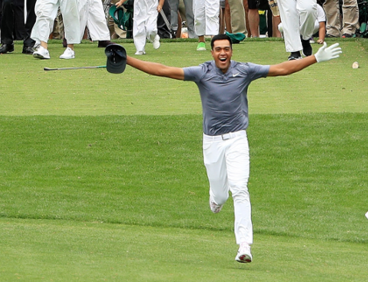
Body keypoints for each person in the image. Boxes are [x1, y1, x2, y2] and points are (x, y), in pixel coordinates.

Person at [124, 33, 342, 263]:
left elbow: (282, 69)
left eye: (226, 49)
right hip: (212, 142)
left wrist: (315, 58)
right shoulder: (202, 72)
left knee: (239, 187)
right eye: (218, 49)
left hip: (238, 138)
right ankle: (216, 198)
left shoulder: (245, 70)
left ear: (231, 51)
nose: (222, 53)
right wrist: (127, 59)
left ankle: (244, 245)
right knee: (220, 194)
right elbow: (162, 70)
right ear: (212, 52)